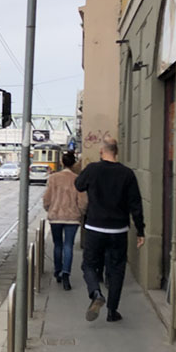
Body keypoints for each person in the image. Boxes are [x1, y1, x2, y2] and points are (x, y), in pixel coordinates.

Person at [74, 136, 145, 322]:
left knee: (88, 264)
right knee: (116, 271)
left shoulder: (93, 170)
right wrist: (140, 230)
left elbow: (78, 185)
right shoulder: (127, 174)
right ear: (117, 152)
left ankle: (96, 293)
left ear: (101, 151)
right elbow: (135, 204)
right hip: (118, 230)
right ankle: (112, 312)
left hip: (95, 227)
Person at [42, 150, 87, 290]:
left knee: (58, 245)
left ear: (62, 162)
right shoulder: (77, 178)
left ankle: (57, 272)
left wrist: (49, 208)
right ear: (74, 163)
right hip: (72, 217)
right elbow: (83, 201)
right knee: (69, 245)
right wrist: (80, 212)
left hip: (56, 216)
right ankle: (66, 273)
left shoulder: (53, 178)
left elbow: (46, 198)